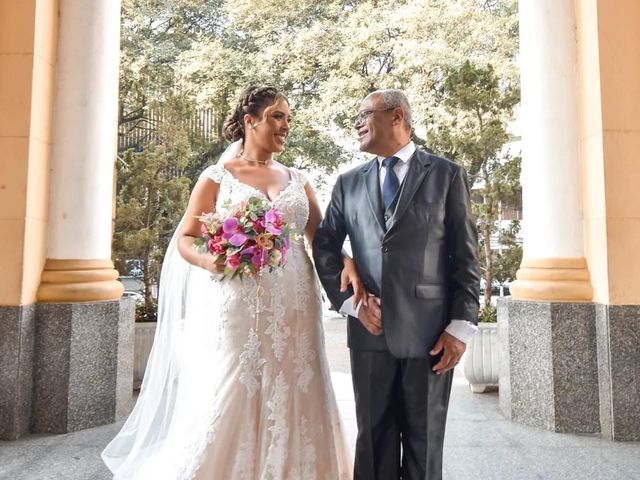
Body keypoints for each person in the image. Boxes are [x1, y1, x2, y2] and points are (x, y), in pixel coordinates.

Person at [102, 86, 360, 479]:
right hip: (240, 303)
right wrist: (214, 260)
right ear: (249, 121)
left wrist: (347, 262)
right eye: (277, 116)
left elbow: (320, 239)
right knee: (238, 381)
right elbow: (186, 238)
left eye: (288, 118)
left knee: (298, 380)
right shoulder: (218, 178)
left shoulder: (299, 179)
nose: (285, 125)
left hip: (295, 303)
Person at [313, 89, 480, 480]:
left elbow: (465, 257)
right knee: (372, 440)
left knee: (425, 440)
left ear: (396, 116)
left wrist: (460, 327)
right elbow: (325, 246)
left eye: (364, 114)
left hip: (432, 334)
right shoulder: (348, 182)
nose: (356, 123)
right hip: (369, 332)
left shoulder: (446, 174)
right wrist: (351, 304)